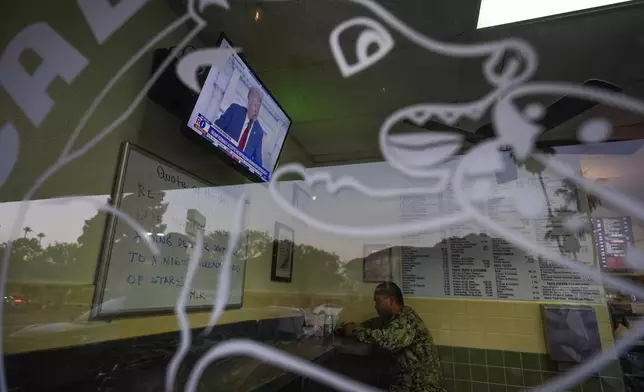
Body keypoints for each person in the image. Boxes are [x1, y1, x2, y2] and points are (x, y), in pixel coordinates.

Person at [343, 282, 445, 392]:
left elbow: (389, 340)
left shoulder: (406, 320)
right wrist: (355, 326)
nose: (375, 306)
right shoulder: (391, 319)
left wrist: (356, 332)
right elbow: (373, 324)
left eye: (377, 301)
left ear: (390, 301)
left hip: (420, 388)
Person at [214, 87, 264, 166]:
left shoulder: (259, 131)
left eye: (258, 107)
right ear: (249, 103)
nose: (256, 110)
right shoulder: (235, 110)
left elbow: (258, 162)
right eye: (255, 105)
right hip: (219, 159)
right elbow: (215, 129)